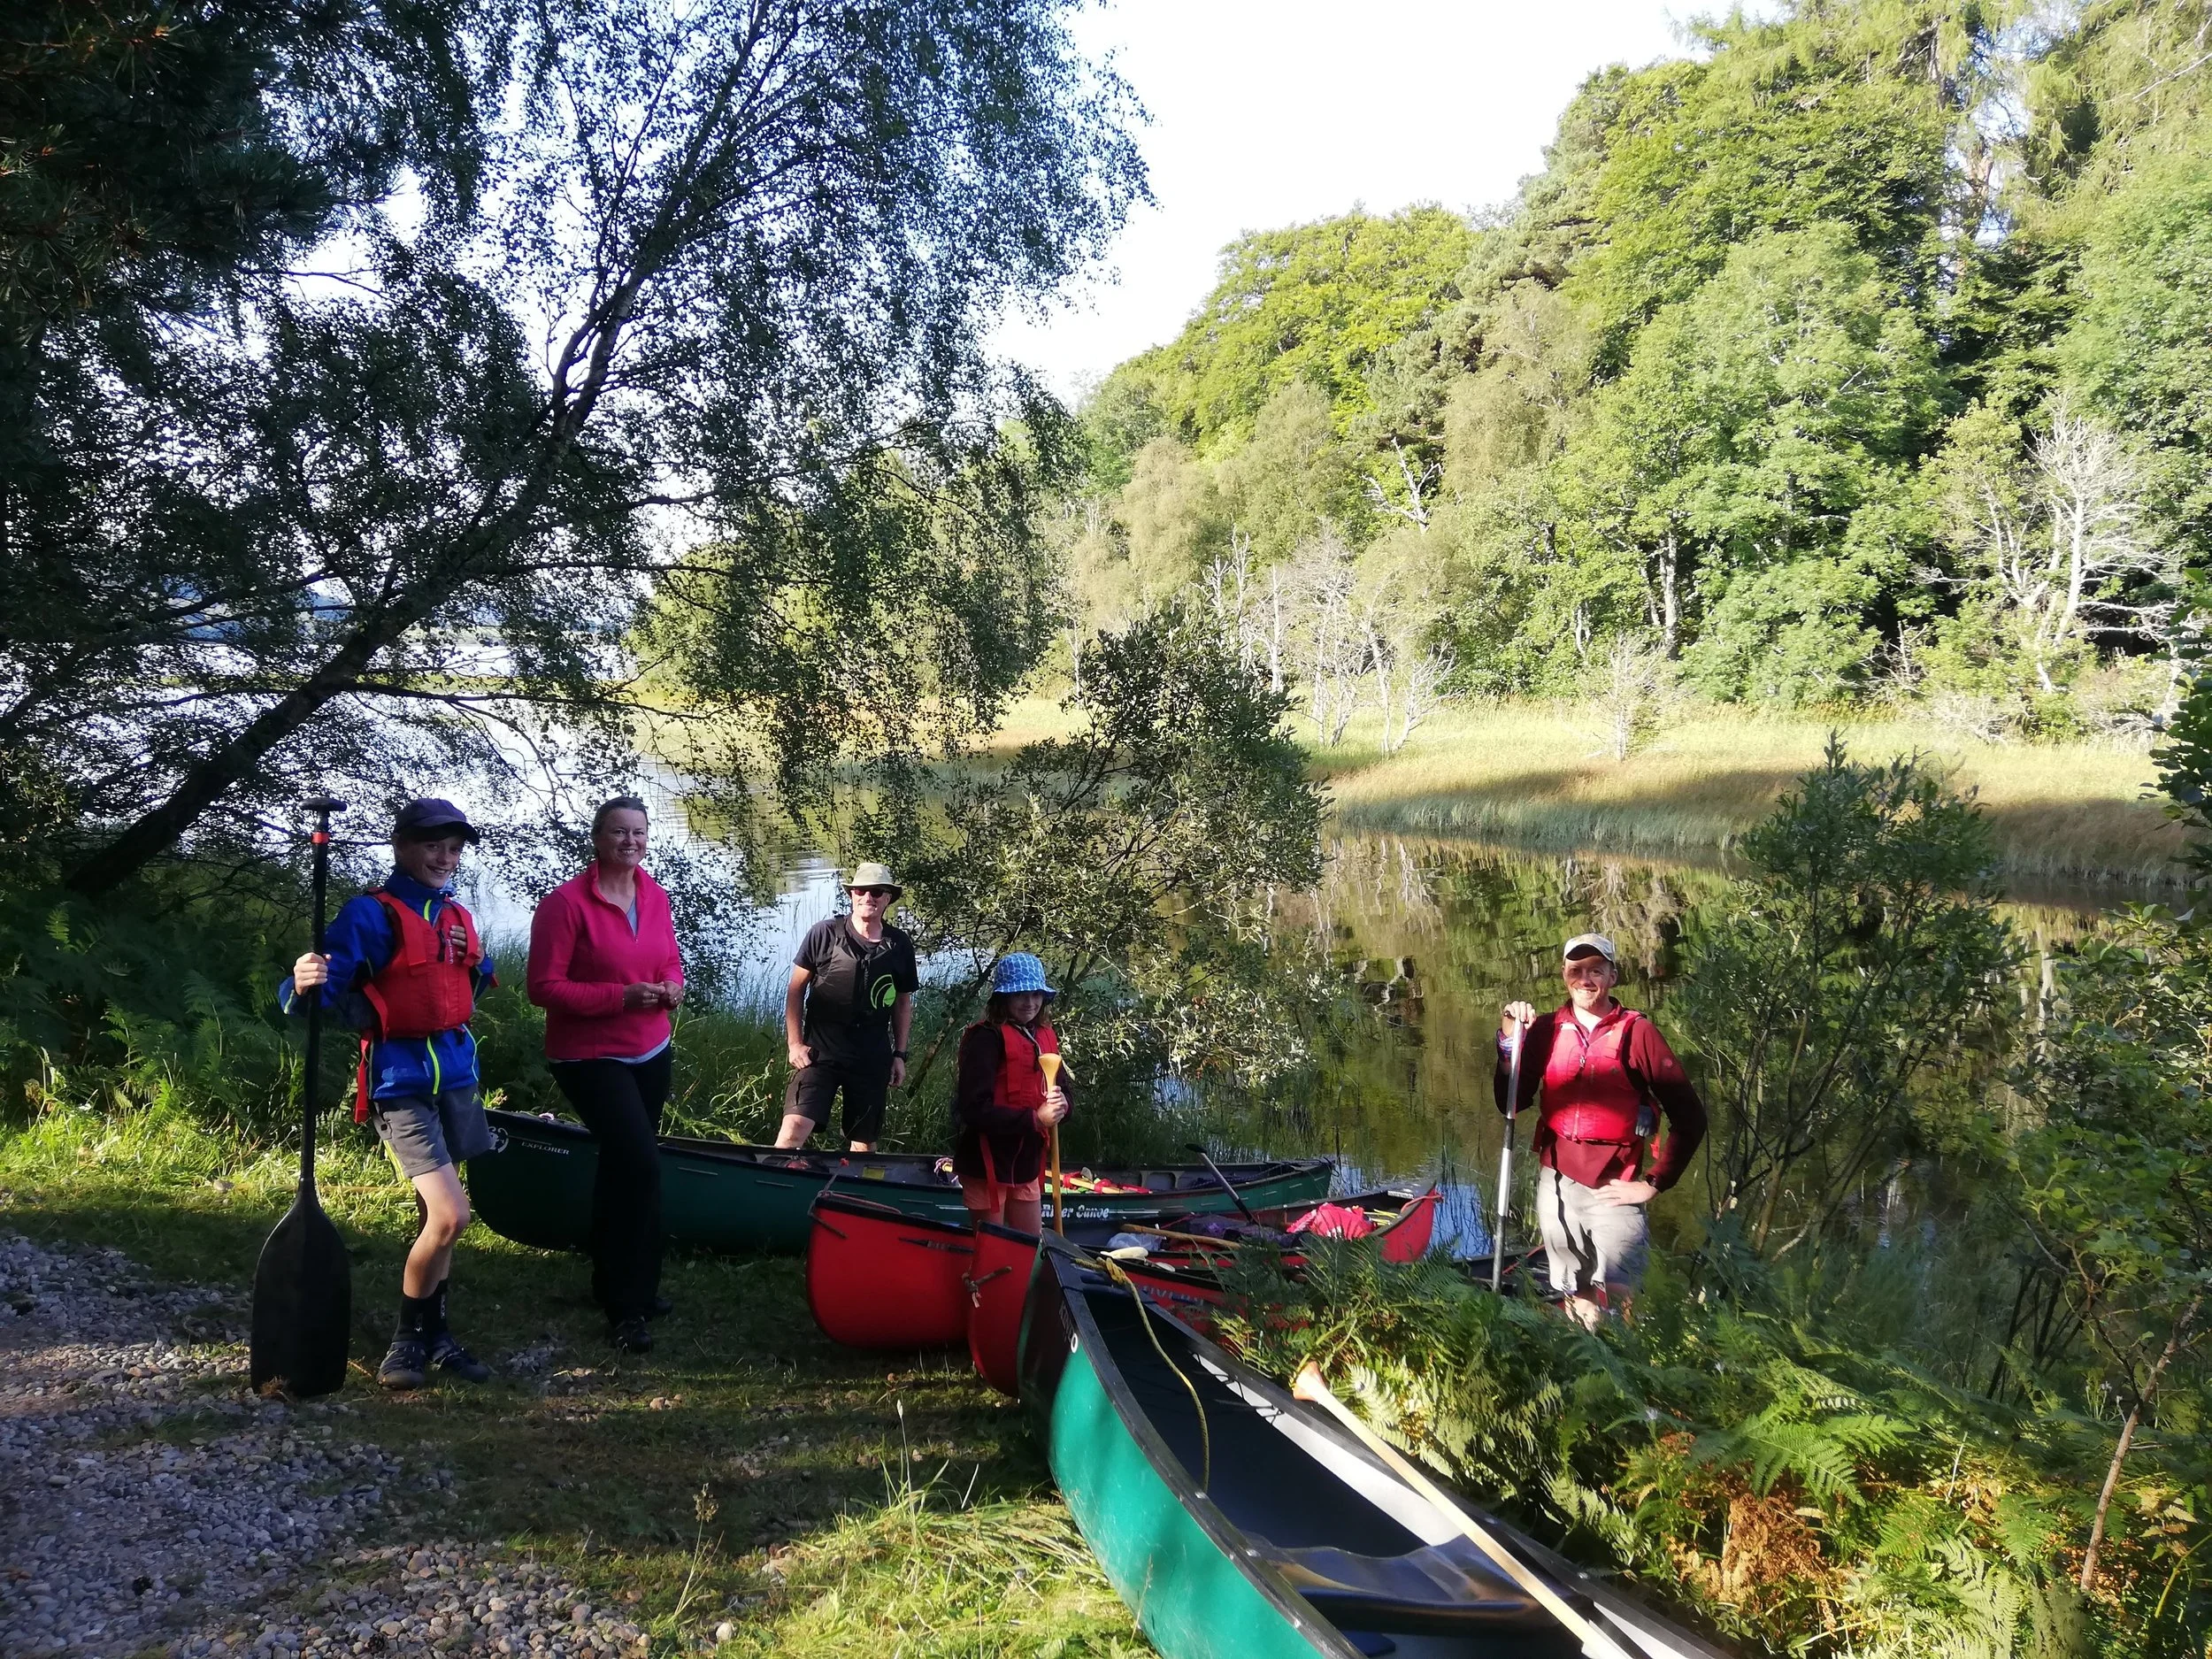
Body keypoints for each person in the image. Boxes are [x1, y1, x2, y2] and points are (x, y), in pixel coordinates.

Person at [280, 797, 497, 1390]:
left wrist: (464, 974)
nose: (444, 858)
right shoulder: (369, 914)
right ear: (401, 846)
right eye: (432, 846)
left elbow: (474, 981)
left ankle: (437, 1335)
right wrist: (300, 984)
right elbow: (319, 992)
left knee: (436, 1217)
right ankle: (406, 1341)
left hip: (456, 1078)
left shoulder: (455, 915)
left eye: (453, 849)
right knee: (452, 1215)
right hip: (400, 1084)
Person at [526, 796, 686, 1355]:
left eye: (639, 832)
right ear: (597, 838)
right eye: (619, 832)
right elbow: (543, 987)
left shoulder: (654, 895)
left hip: (650, 1048)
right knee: (640, 1166)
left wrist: (672, 986)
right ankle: (627, 1307)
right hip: (590, 1055)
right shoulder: (565, 904)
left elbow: (668, 959)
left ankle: (615, 1281)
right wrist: (620, 997)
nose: (630, 841)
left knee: (624, 1164)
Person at [1497, 932, 1706, 1328]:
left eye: (1596, 970)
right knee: (1574, 1291)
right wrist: (1509, 1040)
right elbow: (1510, 1102)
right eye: (1576, 970)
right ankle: (1584, 1353)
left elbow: (1690, 1117)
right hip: (1557, 1184)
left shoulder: (1638, 1033)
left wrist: (1654, 1183)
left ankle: (1624, 1357)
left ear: (1613, 976)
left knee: (1620, 1294)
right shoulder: (1546, 1029)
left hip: (1615, 1185)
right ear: (1564, 975)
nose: (1585, 979)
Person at [778, 862, 918, 1154]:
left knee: (864, 1145)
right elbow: (795, 990)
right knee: (793, 1131)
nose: (868, 897)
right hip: (820, 1053)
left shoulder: (899, 944)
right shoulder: (824, 934)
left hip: (871, 1057)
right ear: (852, 894)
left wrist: (900, 1055)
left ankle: (853, 1183)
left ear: (888, 898)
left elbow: (902, 1002)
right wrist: (795, 1044)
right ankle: (774, 1177)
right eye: (861, 890)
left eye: (876, 892)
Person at [953, 953, 1071, 1233]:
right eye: (1020, 994)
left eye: (1035, 994)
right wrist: (1035, 1120)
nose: (1029, 1002)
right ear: (1003, 997)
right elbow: (973, 1109)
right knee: (991, 1250)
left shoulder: (1044, 1035)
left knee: (1029, 1245)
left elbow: (1063, 1090)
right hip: (986, 1164)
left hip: (1026, 1163)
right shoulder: (986, 1039)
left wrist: (1064, 1106)